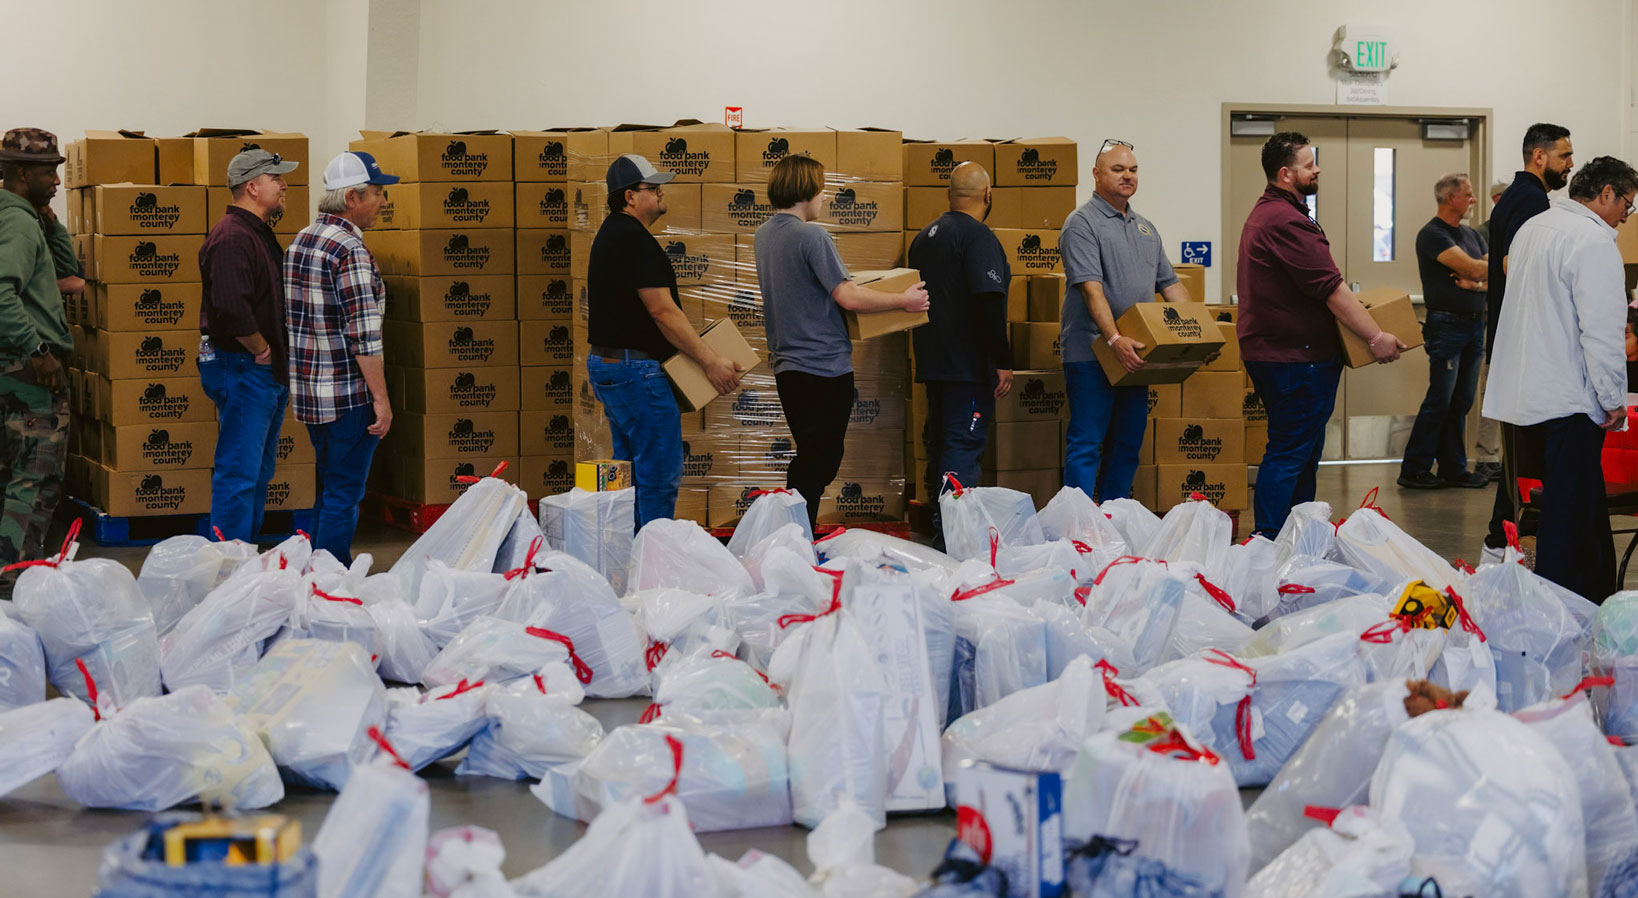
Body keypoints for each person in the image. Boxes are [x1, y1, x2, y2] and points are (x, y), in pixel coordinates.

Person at [1237, 131, 1405, 539]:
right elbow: (1332, 289)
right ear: (1285, 174)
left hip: (1286, 355)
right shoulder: (1285, 221)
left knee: (1301, 453)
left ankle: (1294, 540)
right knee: (1289, 453)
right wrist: (1375, 337)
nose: (1317, 170)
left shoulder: (1274, 214)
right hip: (1295, 360)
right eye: (1309, 165)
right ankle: (1269, 542)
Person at [1483, 155, 1636, 601]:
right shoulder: (1593, 241)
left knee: (1568, 512)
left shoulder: (1534, 228)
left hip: (1524, 394)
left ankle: (1583, 600)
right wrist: (1613, 400)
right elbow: (1602, 332)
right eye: (1627, 203)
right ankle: (1566, 607)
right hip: (1568, 398)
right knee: (1571, 519)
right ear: (1606, 193)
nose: (1627, 214)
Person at [756, 153, 929, 530]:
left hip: (788, 368)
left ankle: (794, 534)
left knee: (812, 456)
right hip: (823, 367)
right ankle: (794, 535)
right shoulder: (812, 236)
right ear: (806, 191)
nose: (824, 197)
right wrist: (904, 301)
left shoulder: (764, 235)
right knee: (820, 460)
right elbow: (848, 296)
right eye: (820, 189)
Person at [587, 154, 743, 529]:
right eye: (652, 187)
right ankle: (653, 558)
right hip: (636, 372)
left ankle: (631, 552)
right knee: (658, 475)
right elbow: (662, 312)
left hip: (612, 367)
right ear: (629, 197)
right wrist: (710, 361)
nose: (660, 192)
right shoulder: (633, 239)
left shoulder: (612, 233)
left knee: (630, 476)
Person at [1059, 139, 1194, 500]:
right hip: (1093, 354)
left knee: (1127, 445)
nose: (1127, 176)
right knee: (1087, 444)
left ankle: (1113, 519)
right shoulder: (1081, 224)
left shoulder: (1145, 228)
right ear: (1096, 174)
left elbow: (1172, 286)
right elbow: (1091, 291)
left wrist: (1197, 336)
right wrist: (1114, 339)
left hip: (1136, 356)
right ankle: (1079, 526)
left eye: (1133, 170)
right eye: (1118, 169)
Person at [283, 152, 399, 564]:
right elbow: (363, 336)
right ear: (352, 197)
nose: (383, 201)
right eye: (378, 193)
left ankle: (314, 573)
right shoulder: (349, 250)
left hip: (312, 396)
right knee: (345, 492)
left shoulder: (301, 240)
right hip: (348, 397)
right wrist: (381, 400)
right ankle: (331, 575)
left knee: (329, 487)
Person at [1481, 123, 1574, 562]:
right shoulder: (1531, 200)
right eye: (1564, 155)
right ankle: (1503, 540)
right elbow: (1512, 262)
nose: (1570, 164)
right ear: (1539, 156)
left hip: (1512, 338)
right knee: (1528, 450)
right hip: (1521, 342)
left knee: (1524, 450)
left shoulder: (1517, 197)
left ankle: (1504, 539)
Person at [908, 161, 1012, 548]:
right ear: (987, 194)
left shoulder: (923, 238)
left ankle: (938, 532)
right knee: (962, 449)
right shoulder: (979, 238)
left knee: (939, 446)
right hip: (967, 366)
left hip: (933, 362)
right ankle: (954, 541)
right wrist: (1002, 360)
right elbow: (988, 302)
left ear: (949, 195)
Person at [198, 148, 299, 542]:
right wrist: (261, 349)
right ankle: (229, 563)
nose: (284, 185)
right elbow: (230, 306)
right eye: (277, 178)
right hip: (244, 367)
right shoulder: (232, 237)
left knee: (256, 472)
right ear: (253, 187)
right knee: (240, 472)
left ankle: (244, 554)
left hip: (259, 370)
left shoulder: (254, 232)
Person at [0, 128, 72, 578]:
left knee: (17, 471)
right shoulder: (18, 223)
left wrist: (49, 219)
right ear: (22, 174)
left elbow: (69, 270)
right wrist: (39, 351)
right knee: (36, 473)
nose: (57, 180)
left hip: (15, 367)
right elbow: (1, 293)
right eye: (49, 172)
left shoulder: (24, 217)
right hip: (29, 370)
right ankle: (14, 572)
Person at [1398, 173, 1489, 490]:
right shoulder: (1433, 234)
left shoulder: (1471, 235)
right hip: (1448, 327)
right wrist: (1480, 273)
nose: (1473, 200)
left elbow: (1490, 275)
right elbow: (1475, 267)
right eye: (1468, 194)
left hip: (1475, 325)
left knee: (1461, 400)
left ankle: (1453, 468)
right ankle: (1414, 469)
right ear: (1451, 198)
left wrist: (1475, 284)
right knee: (1441, 399)